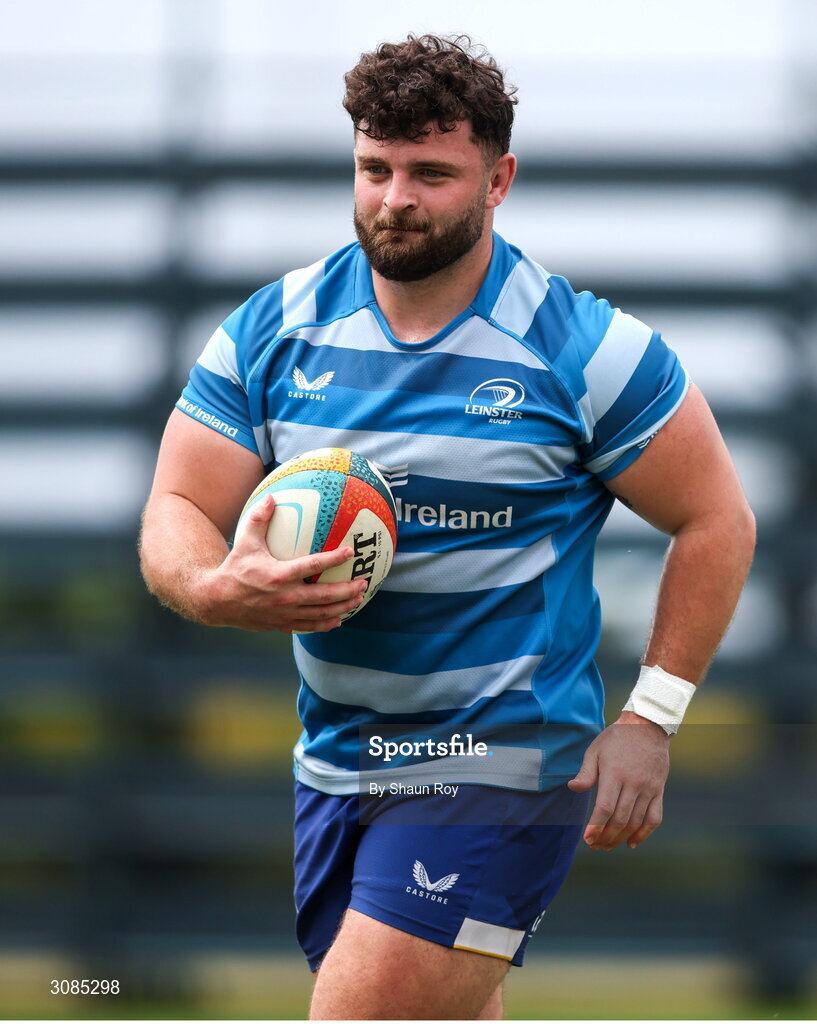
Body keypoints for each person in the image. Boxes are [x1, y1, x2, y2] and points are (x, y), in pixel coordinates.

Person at [139, 34, 756, 1020]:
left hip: (502, 763)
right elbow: (177, 508)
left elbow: (716, 518)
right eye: (374, 169)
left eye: (431, 172)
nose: (396, 198)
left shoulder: (578, 348)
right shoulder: (272, 329)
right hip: (338, 759)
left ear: (498, 178)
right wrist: (212, 587)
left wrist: (649, 719)